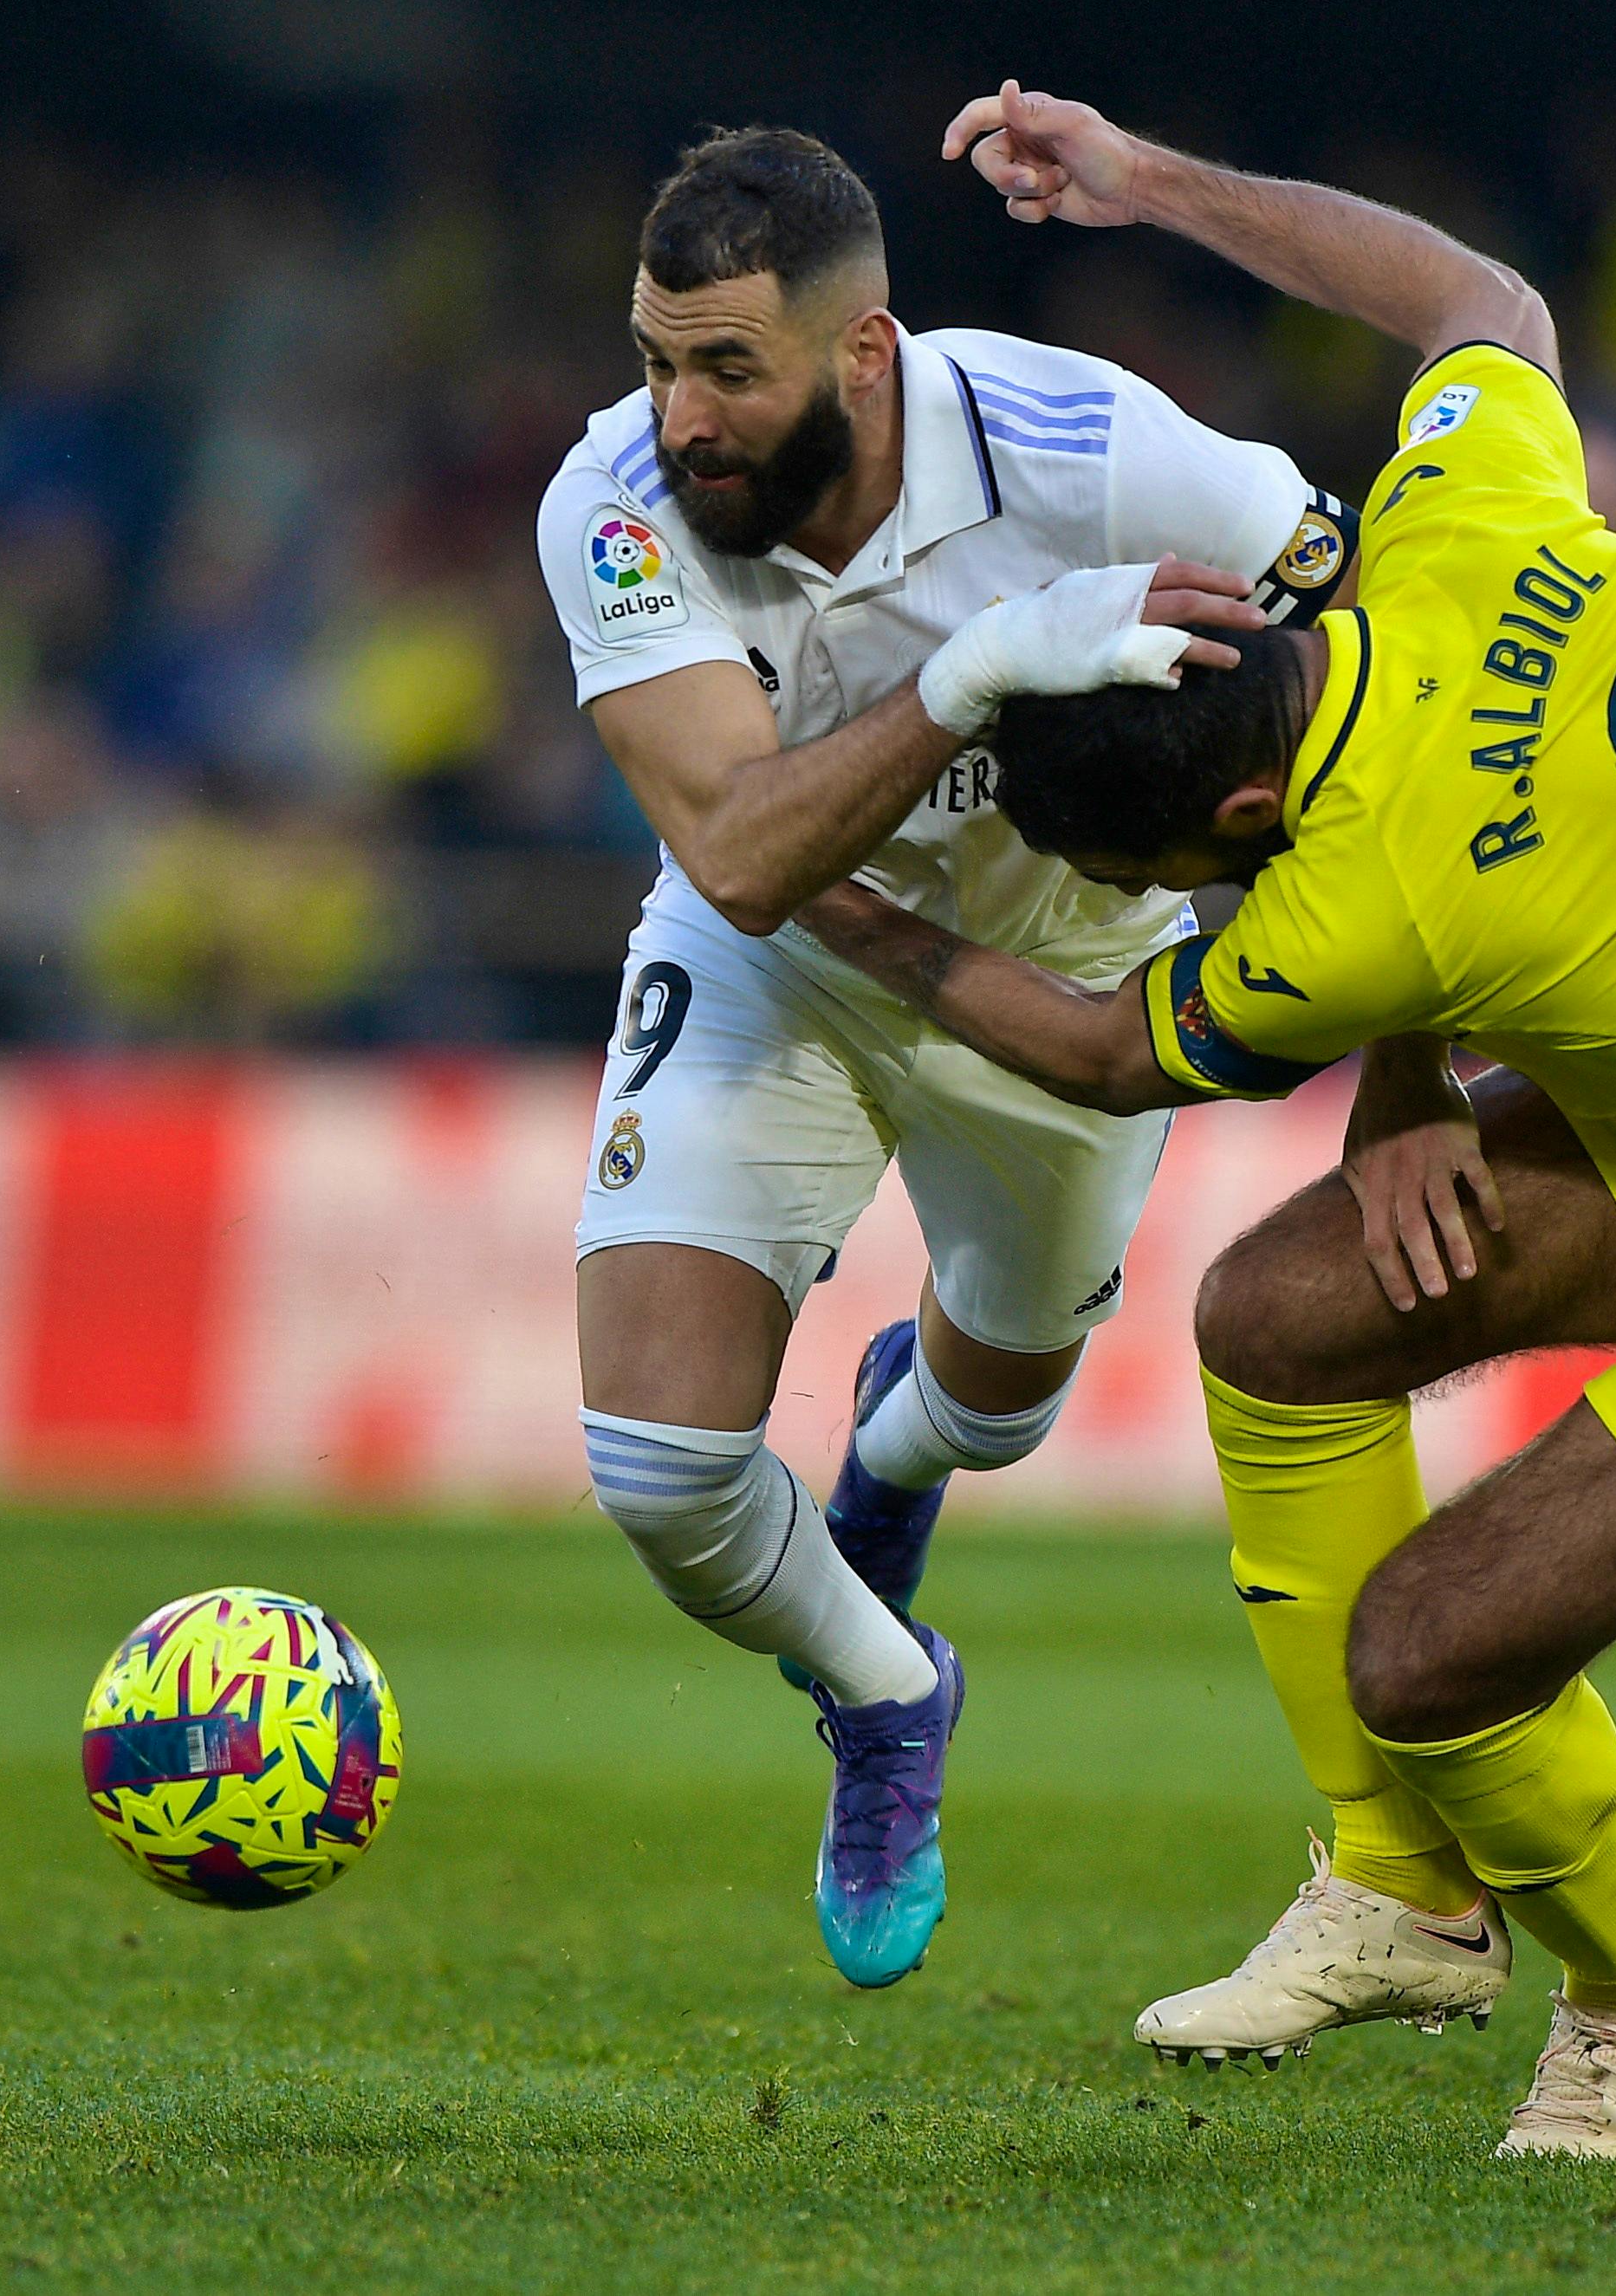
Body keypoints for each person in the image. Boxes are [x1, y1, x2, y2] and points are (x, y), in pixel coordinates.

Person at [789, 81, 1616, 2161]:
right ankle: (1401, 1892)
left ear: (1236, 825)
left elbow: (1093, 1047)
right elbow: (1475, 292)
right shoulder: (1455, 520)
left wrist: (837, 908)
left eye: (1172, 873)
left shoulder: (1348, 915)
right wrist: (1146, 183)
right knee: (1279, 1320)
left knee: (1429, 1651)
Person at [533, 126, 1357, 1989]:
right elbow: (741, 854)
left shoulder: (1091, 446)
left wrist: (1403, 1057)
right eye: (656, 359)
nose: (680, 416)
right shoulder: (610, 499)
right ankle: (891, 1692)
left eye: (728, 367)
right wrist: (977, 667)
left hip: (1058, 970)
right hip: (786, 955)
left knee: (1002, 1405)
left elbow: (1388, 636)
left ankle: (902, 1455)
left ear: (866, 353)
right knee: (658, 1472)